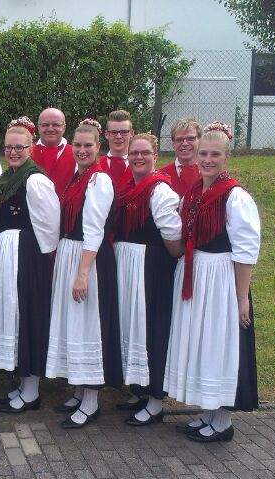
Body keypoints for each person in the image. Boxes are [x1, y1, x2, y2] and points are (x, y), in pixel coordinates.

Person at [164, 122, 261, 443]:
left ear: (226, 157)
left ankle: (223, 421)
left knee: (220, 344)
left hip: (220, 279)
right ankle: (209, 413)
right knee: (203, 343)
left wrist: (241, 297)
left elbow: (246, 250)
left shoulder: (235, 196)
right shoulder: (194, 192)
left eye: (215, 154)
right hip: (195, 274)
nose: (207, 160)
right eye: (203, 153)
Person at [45, 119, 119, 428]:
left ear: (98, 147)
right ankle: (78, 391)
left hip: (88, 258)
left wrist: (82, 273)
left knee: (88, 327)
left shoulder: (99, 180)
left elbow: (94, 229)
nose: (82, 150)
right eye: (77, 145)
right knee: (74, 326)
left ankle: (91, 402)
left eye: (88, 145)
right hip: (71, 253)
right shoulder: (80, 177)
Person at [0, 117, 60, 414]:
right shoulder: (6, 178)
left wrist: (37, 261)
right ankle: (22, 383)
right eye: (9, 147)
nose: (13, 152)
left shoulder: (35, 180)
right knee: (13, 315)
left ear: (31, 148)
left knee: (27, 316)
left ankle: (32, 391)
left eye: (19, 147)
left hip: (27, 255)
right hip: (8, 255)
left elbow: (50, 224)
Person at [113, 133, 183, 426]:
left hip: (150, 269)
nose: (138, 158)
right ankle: (138, 390)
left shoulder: (160, 190)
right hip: (128, 267)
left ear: (156, 156)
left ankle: (155, 401)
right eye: (134, 153)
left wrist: (161, 262)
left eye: (145, 153)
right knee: (132, 329)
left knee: (151, 330)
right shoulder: (128, 187)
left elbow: (173, 236)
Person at [31, 107, 75, 195]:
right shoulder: (27, 151)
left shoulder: (76, 153)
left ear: (64, 127)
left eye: (56, 125)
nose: (50, 129)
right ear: (38, 127)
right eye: (45, 125)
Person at [158, 117, 202, 197]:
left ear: (200, 141)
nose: (185, 143)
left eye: (191, 138)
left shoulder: (211, 174)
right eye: (179, 139)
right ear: (173, 144)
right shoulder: (161, 176)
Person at [99, 110, 134, 189]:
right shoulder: (97, 165)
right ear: (106, 134)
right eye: (114, 132)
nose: (118, 136)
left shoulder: (139, 164)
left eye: (124, 132)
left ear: (131, 133)